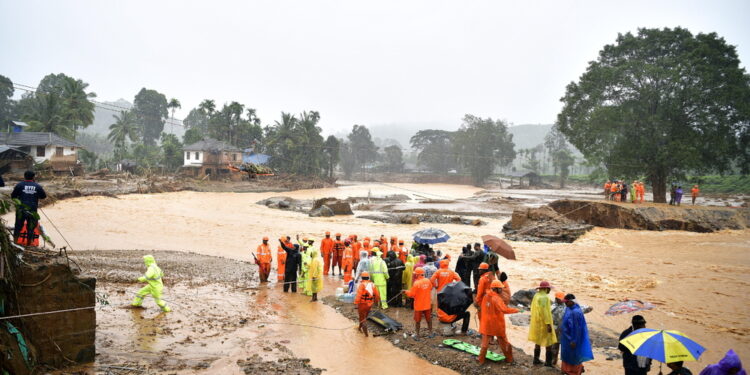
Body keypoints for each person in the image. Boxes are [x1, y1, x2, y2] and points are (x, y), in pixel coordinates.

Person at [478, 280, 519, 364]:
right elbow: (504, 309)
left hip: (486, 324)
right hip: (497, 324)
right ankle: (509, 359)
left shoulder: (486, 296)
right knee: (504, 342)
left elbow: (482, 306)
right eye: (500, 289)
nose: (502, 290)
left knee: (484, 344)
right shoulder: (496, 298)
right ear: (496, 289)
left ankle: (481, 360)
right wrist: (516, 310)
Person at [560, 293, 593, 375]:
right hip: (567, 338)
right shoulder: (569, 308)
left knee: (574, 356)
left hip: (573, 339)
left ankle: (574, 372)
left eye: (566, 302)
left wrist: (574, 340)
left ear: (571, 301)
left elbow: (577, 328)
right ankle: (567, 370)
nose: (565, 303)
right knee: (567, 355)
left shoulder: (576, 312)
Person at [12, 170, 47, 245]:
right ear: (33, 177)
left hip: (21, 209)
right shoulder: (37, 186)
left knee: (18, 226)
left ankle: (15, 243)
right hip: (32, 210)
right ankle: (29, 244)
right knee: (31, 227)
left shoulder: (19, 185)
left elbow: (13, 196)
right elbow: (43, 196)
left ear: (24, 176)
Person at [529, 281, 557, 367]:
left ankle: (536, 359)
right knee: (548, 342)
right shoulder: (545, 297)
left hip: (537, 322)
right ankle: (548, 362)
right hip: (544, 323)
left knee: (538, 341)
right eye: (549, 288)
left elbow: (533, 309)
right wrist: (548, 324)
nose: (549, 290)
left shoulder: (536, 296)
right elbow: (545, 312)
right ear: (545, 288)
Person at [404, 267, 433, 339]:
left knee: (417, 321)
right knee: (429, 319)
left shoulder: (416, 283)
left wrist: (405, 291)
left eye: (415, 274)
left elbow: (411, 294)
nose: (414, 275)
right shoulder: (428, 280)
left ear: (417, 275)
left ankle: (417, 335)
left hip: (419, 305)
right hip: (427, 304)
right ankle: (430, 333)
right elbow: (430, 288)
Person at [354, 272, 380, 337]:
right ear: (368, 277)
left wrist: (356, 303)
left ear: (362, 278)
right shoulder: (372, 284)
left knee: (362, 318)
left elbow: (359, 295)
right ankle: (359, 328)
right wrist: (376, 302)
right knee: (364, 317)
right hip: (369, 304)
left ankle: (366, 336)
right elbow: (376, 295)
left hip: (362, 304)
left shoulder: (362, 285)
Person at [550, 292, 566, 366]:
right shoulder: (553, 306)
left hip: (563, 330)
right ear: (556, 299)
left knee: (563, 347)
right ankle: (553, 361)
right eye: (560, 299)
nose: (561, 300)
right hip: (555, 329)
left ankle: (563, 364)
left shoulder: (566, 306)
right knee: (554, 346)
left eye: (562, 299)